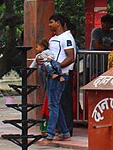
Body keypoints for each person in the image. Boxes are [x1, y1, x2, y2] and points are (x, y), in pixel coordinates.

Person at [38, 14, 75, 146]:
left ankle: (50, 135)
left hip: (59, 75)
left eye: (51, 22)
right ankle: (65, 132)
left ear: (58, 23)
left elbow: (71, 57)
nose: (49, 25)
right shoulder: (54, 39)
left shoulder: (66, 38)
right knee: (55, 104)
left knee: (53, 105)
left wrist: (57, 68)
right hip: (51, 74)